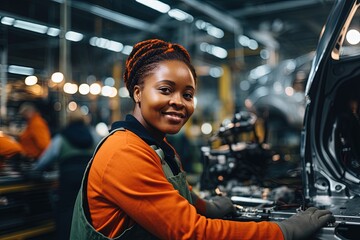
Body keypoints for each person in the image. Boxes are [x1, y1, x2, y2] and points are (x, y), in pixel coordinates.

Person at [70, 39, 334, 240]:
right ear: (137, 93)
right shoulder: (124, 152)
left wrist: (207, 206)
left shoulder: (157, 147)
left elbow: (169, 196)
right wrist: (285, 230)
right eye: (165, 90)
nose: (178, 102)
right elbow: (192, 232)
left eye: (187, 95)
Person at [33, 108, 101, 240]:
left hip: (67, 179)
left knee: (65, 213)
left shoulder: (62, 137)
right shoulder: (93, 135)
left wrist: (36, 168)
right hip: (88, 179)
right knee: (87, 212)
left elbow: (45, 159)